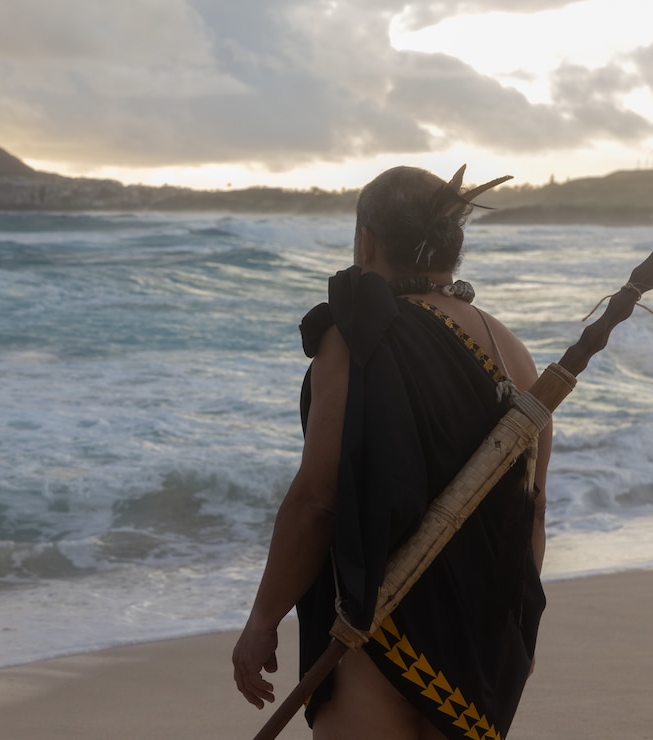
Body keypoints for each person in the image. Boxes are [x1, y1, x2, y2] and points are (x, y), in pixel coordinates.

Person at [232, 165, 552, 739]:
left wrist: (262, 618)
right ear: (454, 243)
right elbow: (532, 507)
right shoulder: (513, 352)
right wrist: (518, 630)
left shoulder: (358, 336)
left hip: (380, 627)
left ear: (367, 240)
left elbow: (319, 499)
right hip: (484, 636)